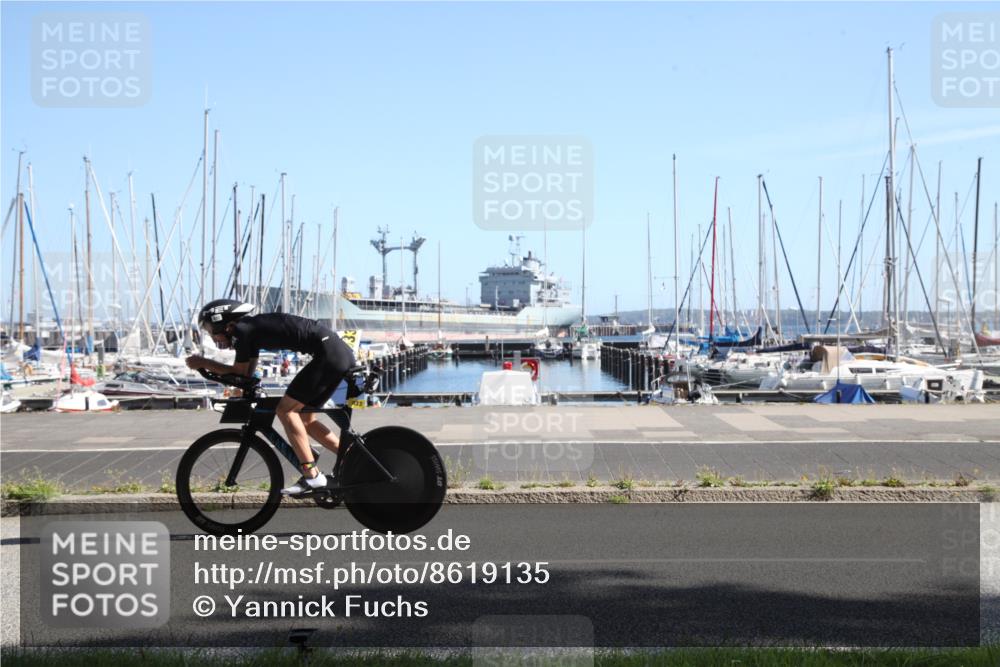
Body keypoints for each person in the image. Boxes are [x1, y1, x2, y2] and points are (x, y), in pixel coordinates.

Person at [186, 299, 356, 496]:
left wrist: (203, 362)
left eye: (210, 330)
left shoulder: (243, 331)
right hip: (335, 353)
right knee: (305, 419)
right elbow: (245, 375)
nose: (212, 335)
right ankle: (353, 458)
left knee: (285, 410)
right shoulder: (250, 330)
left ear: (223, 323)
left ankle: (312, 476)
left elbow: (238, 370)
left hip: (329, 355)